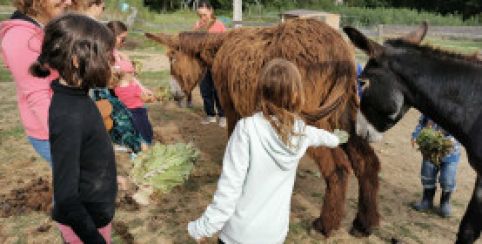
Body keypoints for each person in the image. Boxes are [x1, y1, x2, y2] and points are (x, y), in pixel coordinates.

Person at [187, 59, 349, 244]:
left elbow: (229, 189)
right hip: (274, 235)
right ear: (296, 94)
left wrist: (203, 228)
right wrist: (338, 138)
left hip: (238, 235)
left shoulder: (246, 129)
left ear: (262, 91)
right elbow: (321, 136)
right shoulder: (301, 131)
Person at [30, 13, 117, 243]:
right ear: (77, 60)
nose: (112, 62)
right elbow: (66, 197)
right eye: (107, 56)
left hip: (95, 211)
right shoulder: (69, 116)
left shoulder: (77, 97)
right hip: (86, 226)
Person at [0, 0, 72, 165]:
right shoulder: (20, 37)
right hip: (53, 132)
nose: (68, 1)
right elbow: (39, 97)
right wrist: (67, 139)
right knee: (76, 185)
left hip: (66, 122)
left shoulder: (43, 28)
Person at [411, 114, 461, 217]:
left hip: (451, 153)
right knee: (427, 174)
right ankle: (427, 200)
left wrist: (447, 140)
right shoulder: (431, 106)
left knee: (447, 179)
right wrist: (415, 135)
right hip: (430, 151)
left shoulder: (458, 110)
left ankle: (445, 202)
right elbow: (422, 123)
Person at [193, 0, 226, 127]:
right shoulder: (197, 25)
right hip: (202, 64)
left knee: (218, 89)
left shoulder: (219, 25)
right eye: (200, 15)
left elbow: (225, 44)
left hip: (217, 62)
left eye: (204, 15)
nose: (202, 18)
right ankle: (210, 115)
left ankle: (223, 115)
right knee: (205, 90)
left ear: (211, 11)